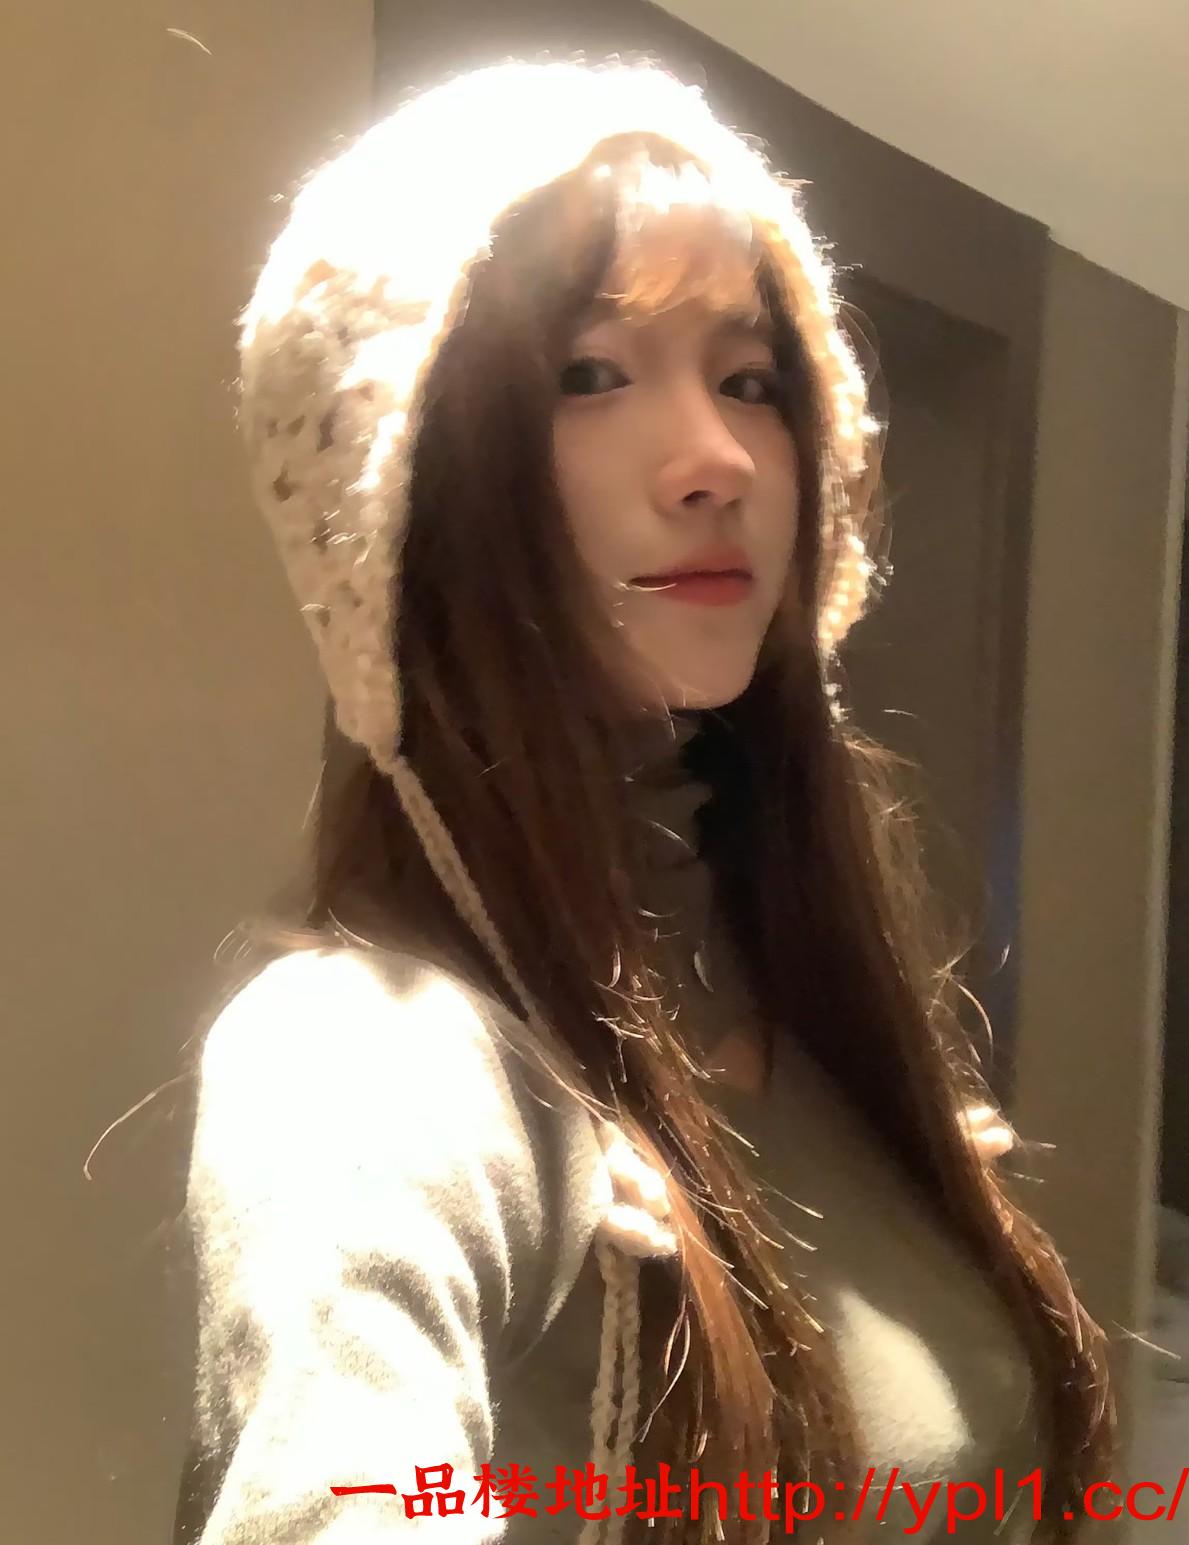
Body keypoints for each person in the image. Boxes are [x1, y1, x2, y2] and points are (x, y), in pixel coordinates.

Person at [171, 54, 1114, 1545]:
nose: (718, 460)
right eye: (592, 374)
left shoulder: (813, 987)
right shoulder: (373, 1052)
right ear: (411, 478)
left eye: (750, 380)